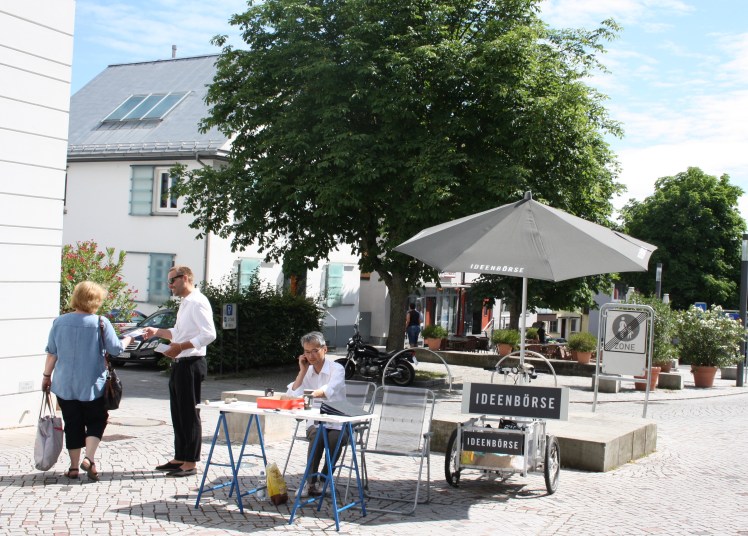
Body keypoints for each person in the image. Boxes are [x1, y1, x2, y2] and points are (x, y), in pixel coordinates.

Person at [42, 281, 132, 481]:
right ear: (96, 300)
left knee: (72, 422)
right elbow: (116, 349)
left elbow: (52, 353)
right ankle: (89, 459)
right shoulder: (100, 322)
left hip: (64, 384)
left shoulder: (59, 322)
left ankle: (74, 467)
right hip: (93, 385)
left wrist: (46, 376)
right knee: (96, 420)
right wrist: (128, 340)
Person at [144, 266, 216, 477]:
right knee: (178, 413)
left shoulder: (197, 301)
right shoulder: (186, 302)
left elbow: (209, 334)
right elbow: (179, 333)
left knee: (189, 413)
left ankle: (190, 462)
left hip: (191, 363)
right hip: (180, 362)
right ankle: (180, 456)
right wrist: (157, 332)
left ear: (185, 278)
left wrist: (181, 347)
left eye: (172, 281)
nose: (169, 286)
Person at [285, 331, 347, 497]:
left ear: (324, 349)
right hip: (315, 421)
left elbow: (328, 390)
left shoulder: (337, 369)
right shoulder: (307, 371)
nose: (311, 356)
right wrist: (302, 371)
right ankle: (310, 482)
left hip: (338, 421)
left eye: (314, 351)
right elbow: (292, 395)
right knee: (318, 434)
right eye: (307, 352)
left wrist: (309, 395)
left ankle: (324, 479)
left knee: (334, 438)